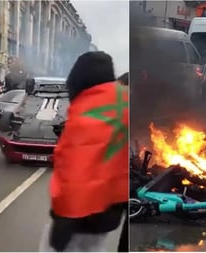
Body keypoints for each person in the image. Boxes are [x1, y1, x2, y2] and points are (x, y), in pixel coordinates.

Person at [43, 52, 129, 252]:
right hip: (110, 213)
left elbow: (76, 174)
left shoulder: (87, 111)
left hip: (81, 218)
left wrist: (63, 222)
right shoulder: (125, 99)